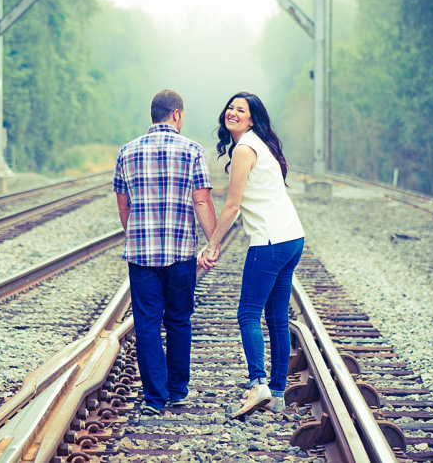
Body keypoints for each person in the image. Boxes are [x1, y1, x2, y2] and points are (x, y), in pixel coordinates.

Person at [198, 92, 305, 418]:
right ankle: (276, 395)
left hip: (270, 242)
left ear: (252, 118)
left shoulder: (245, 149)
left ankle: (258, 384)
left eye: (240, 110)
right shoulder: (260, 144)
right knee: (276, 320)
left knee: (248, 313)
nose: (232, 113)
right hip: (292, 239)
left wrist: (212, 245)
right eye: (230, 108)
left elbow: (231, 206)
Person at [114, 89, 218, 416]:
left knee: (146, 324)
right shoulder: (192, 151)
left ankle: (154, 400)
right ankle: (179, 392)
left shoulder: (126, 152)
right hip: (181, 253)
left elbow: (123, 206)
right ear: (176, 114)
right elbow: (201, 201)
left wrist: (137, 234)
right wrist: (212, 243)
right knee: (178, 321)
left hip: (141, 255)